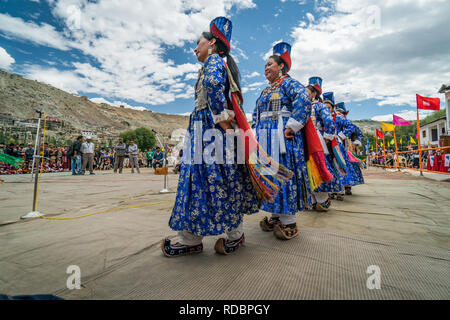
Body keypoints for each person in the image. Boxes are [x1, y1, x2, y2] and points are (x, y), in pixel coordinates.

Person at [161, 17, 260, 257]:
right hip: (202, 130)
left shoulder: (215, 62)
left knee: (214, 181)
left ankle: (214, 237)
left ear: (212, 43)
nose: (195, 48)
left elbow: (216, 88)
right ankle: (193, 238)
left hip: (209, 132)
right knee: (204, 182)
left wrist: (221, 120)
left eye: (199, 43)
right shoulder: (210, 64)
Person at [253, 42, 312, 240]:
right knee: (270, 175)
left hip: (282, 137)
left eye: (270, 64)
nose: (266, 68)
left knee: (283, 173)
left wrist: (292, 125)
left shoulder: (290, 83)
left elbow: (303, 100)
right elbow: (256, 112)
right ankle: (276, 214)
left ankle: (289, 221)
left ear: (281, 67)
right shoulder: (265, 91)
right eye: (265, 66)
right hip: (265, 138)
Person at [307, 82, 343, 211]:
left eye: (307, 91)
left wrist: (327, 137)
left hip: (316, 140)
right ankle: (312, 201)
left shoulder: (318, 107)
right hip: (305, 140)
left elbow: (328, 121)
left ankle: (321, 200)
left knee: (318, 167)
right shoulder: (304, 105)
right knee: (307, 169)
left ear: (314, 93)